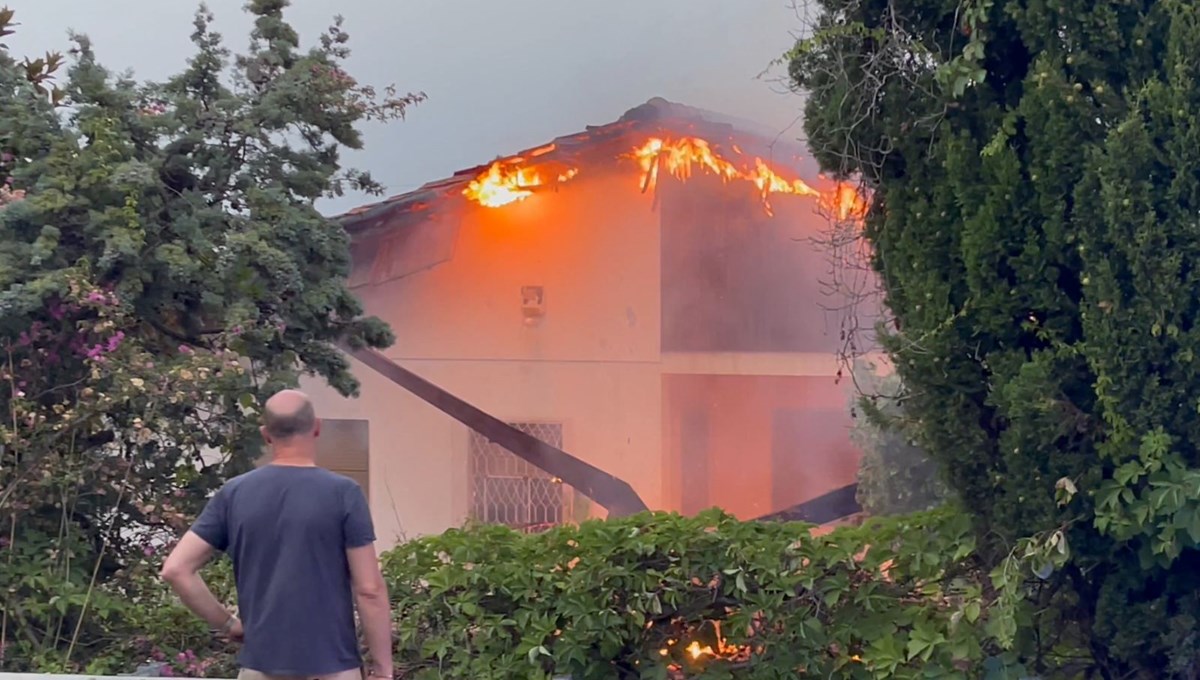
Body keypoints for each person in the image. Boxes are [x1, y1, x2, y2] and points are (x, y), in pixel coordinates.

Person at [161, 389, 393, 680]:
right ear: (317, 427)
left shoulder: (233, 494)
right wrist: (383, 671)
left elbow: (176, 569)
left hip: (260, 666)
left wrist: (229, 624)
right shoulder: (343, 494)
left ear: (266, 434)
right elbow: (369, 589)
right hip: (333, 666)